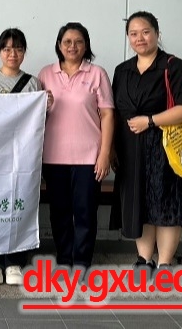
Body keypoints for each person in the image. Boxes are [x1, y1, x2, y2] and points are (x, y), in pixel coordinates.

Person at [110, 11, 182, 271]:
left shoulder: (173, 66)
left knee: (167, 204)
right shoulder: (122, 70)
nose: (140, 38)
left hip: (166, 148)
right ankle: (144, 259)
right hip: (130, 148)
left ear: (157, 34)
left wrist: (150, 121)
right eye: (133, 34)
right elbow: (114, 113)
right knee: (139, 203)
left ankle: (164, 262)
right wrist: (113, 147)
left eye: (145, 32)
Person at [38, 22, 114, 273]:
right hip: (53, 156)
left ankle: (82, 261)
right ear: (59, 45)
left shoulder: (97, 73)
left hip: (89, 157)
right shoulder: (45, 74)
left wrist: (104, 154)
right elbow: (34, 115)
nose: (72, 46)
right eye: (67, 42)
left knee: (85, 212)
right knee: (59, 212)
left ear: (86, 45)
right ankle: (64, 258)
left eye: (78, 41)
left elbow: (107, 115)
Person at [0, 28, 43, 285]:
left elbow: (38, 122)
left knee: (18, 203)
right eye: (7, 48)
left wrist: (45, 105)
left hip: (21, 157)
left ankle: (15, 260)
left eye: (18, 48)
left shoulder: (33, 83)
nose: (12, 53)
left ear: (24, 52)